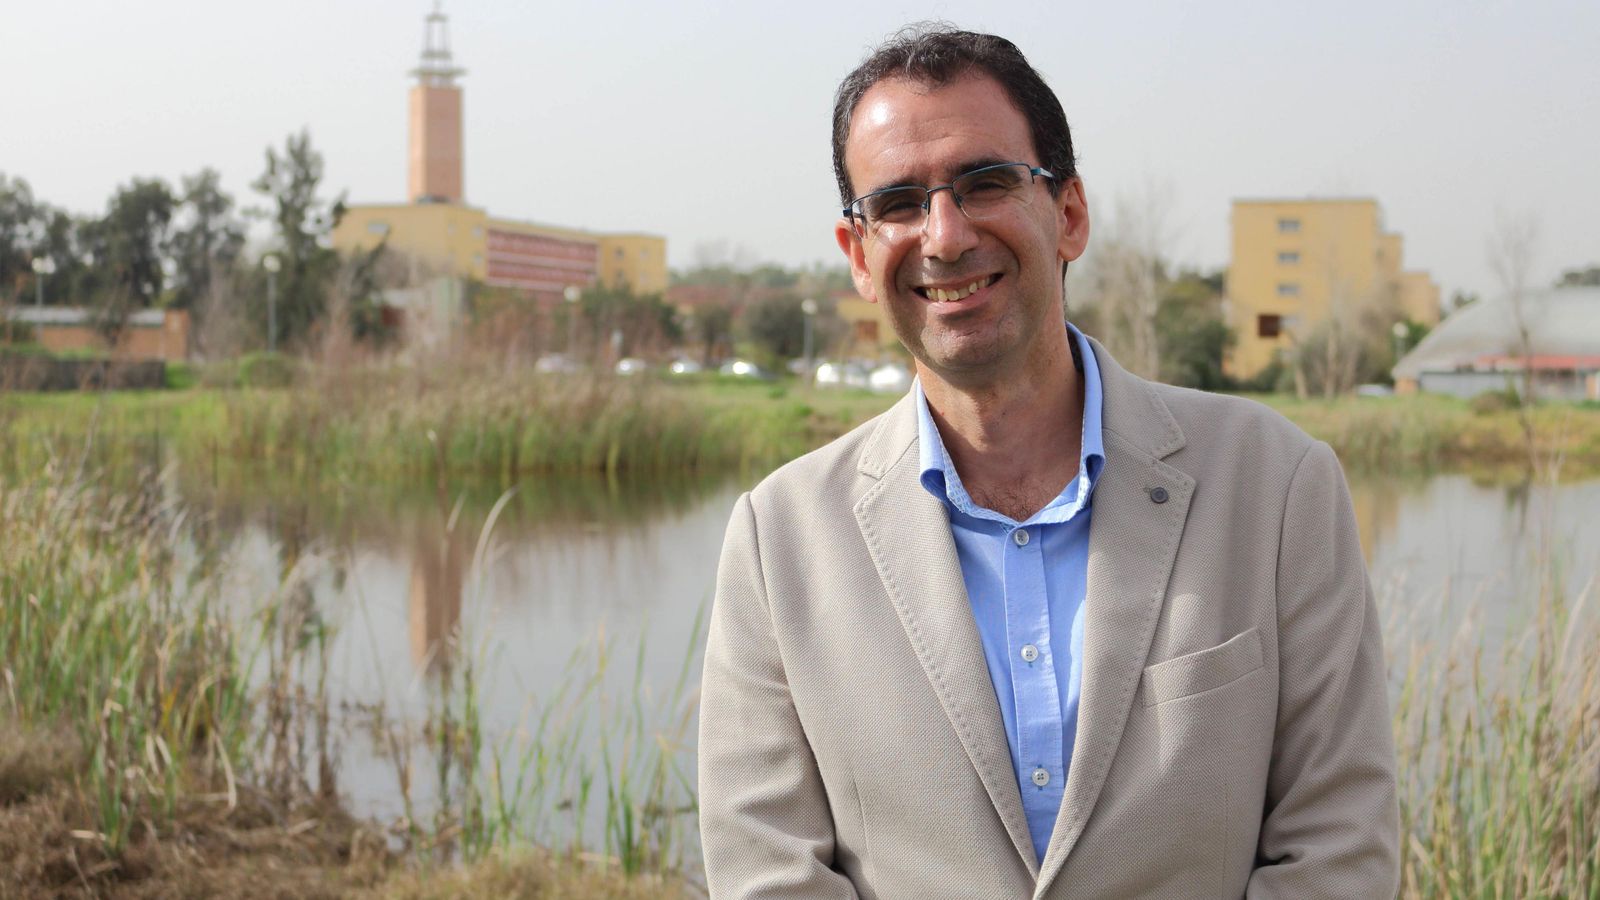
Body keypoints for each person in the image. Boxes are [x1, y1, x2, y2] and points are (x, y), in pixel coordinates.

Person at [698, 25, 1399, 899]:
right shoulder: (780, 540)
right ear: (858, 257)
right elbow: (766, 873)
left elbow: (1339, 850)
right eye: (899, 203)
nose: (945, 236)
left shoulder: (1278, 487)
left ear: (1069, 214)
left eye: (985, 183)